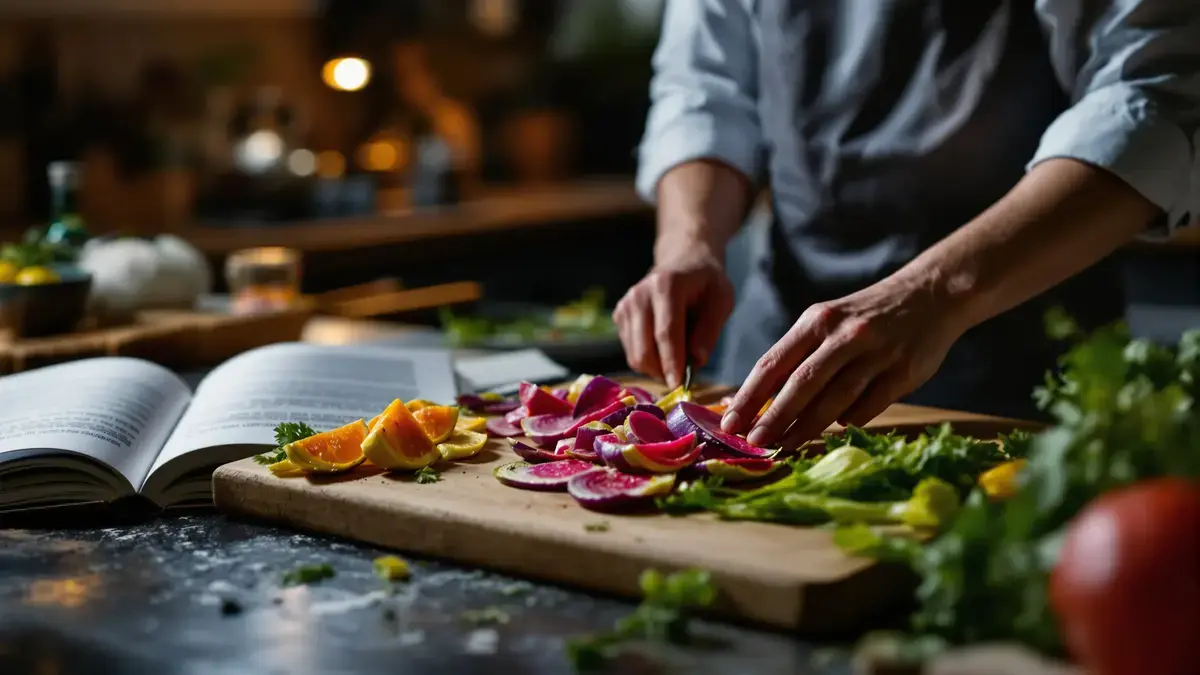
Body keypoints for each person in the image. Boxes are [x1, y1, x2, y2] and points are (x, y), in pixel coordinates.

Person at [615, 0, 1198, 451]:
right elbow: (706, 90)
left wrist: (935, 292)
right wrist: (689, 245)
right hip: (771, 356)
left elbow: (1153, 97)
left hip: (1021, 377)